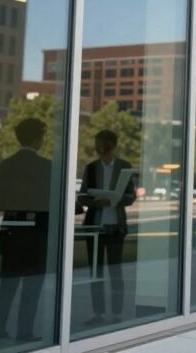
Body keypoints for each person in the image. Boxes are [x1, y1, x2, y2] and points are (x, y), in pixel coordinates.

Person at [0, 118, 52, 342]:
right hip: (37, 234)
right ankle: (24, 332)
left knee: (7, 286)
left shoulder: (6, 164)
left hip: (11, 232)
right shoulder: (47, 167)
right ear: (37, 139)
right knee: (32, 288)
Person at [78, 129, 136, 326]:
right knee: (96, 272)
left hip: (116, 226)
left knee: (115, 271)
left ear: (110, 145)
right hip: (95, 226)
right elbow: (83, 195)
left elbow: (131, 196)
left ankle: (117, 313)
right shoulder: (91, 168)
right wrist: (96, 202)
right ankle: (99, 313)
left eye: (99, 143)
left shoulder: (124, 167)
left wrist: (117, 200)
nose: (97, 147)